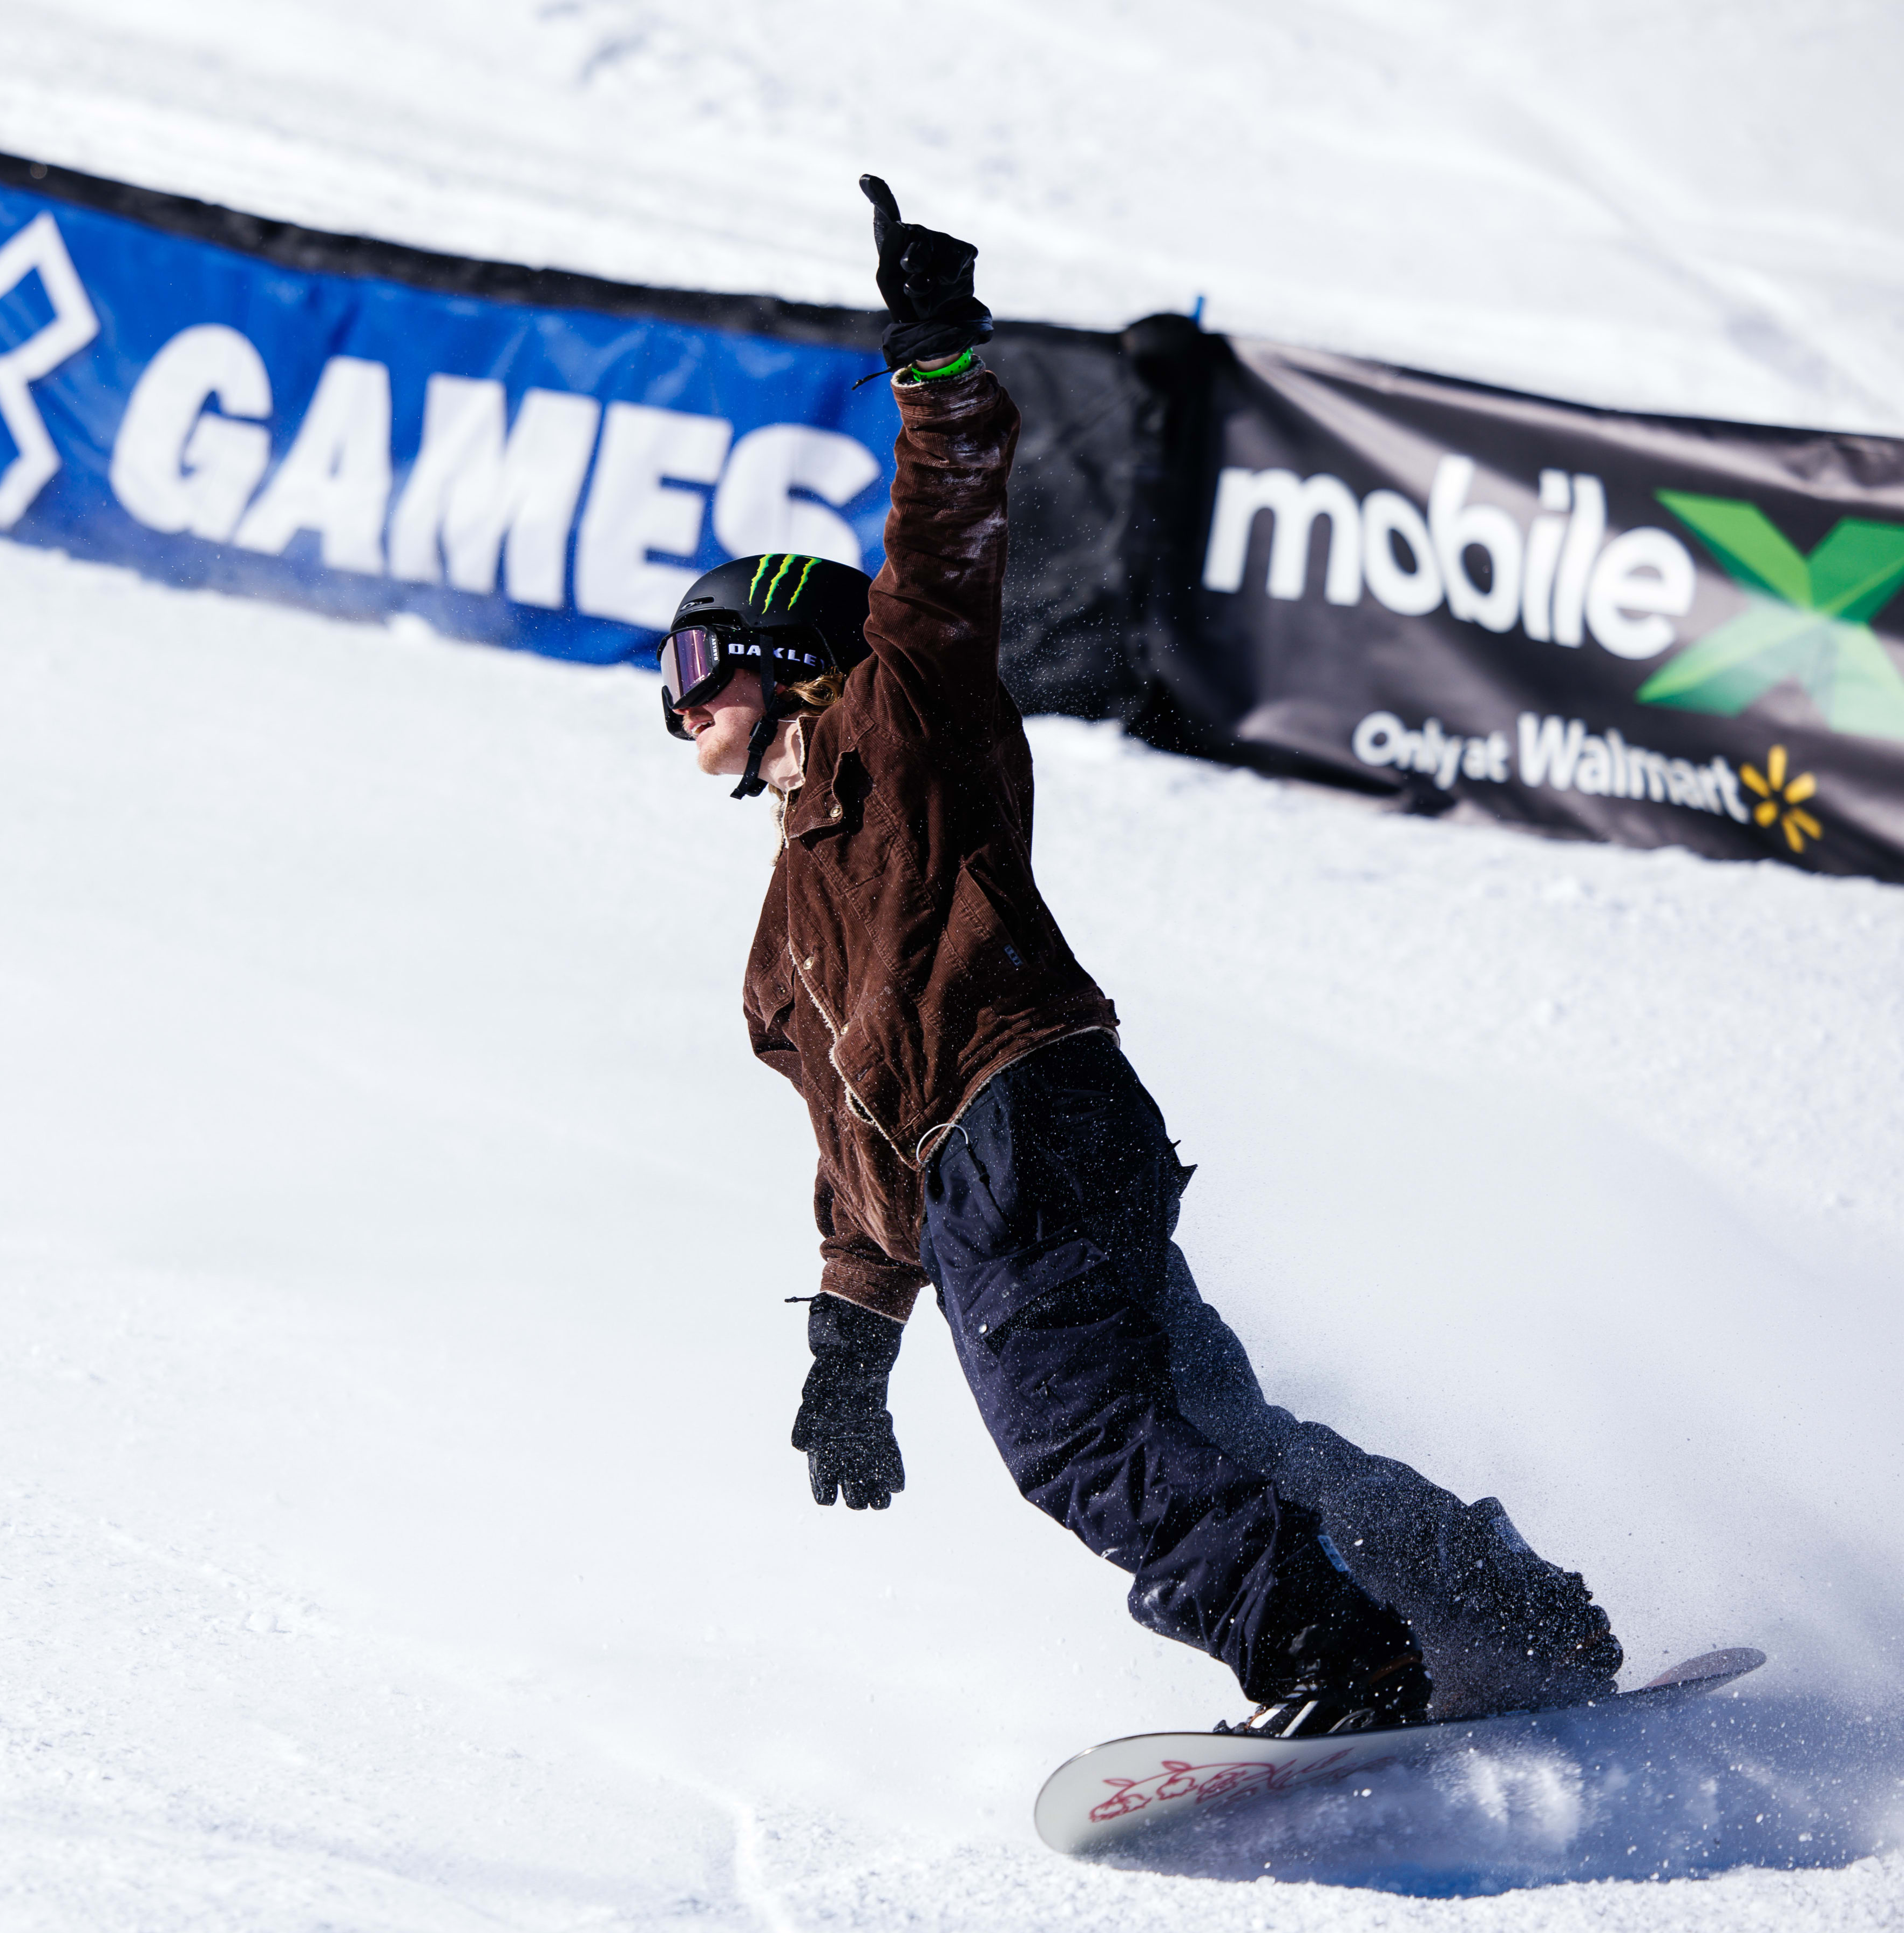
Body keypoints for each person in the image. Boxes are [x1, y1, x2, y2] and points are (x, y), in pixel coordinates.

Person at [654, 177, 1622, 1734]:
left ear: (784, 659)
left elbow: (950, 534)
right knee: (1208, 1425)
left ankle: (1332, 1653)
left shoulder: (900, 723)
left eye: (695, 665)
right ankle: (1512, 1612)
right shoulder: (783, 945)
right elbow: (856, 1148)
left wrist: (939, 367)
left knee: (1083, 1441)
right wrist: (852, 1339)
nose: (675, 704)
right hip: (1035, 1148)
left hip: (1023, 1121)